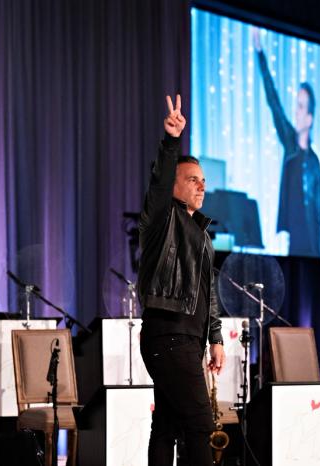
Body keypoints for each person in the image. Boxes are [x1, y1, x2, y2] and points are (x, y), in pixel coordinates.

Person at [137, 94, 226, 466]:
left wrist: (216, 338)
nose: (201, 186)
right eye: (192, 180)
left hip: (188, 339)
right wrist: (171, 141)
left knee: (168, 426)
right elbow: (158, 182)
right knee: (200, 422)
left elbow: (208, 293)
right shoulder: (162, 219)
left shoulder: (202, 234)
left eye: (203, 181)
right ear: (174, 184)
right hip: (168, 336)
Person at [253, 28, 320, 257]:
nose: (296, 110)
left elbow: (319, 215)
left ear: (310, 118)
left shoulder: (314, 163)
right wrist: (260, 52)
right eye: (297, 104)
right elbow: (273, 101)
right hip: (293, 245)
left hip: (312, 249)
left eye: (301, 106)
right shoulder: (290, 143)